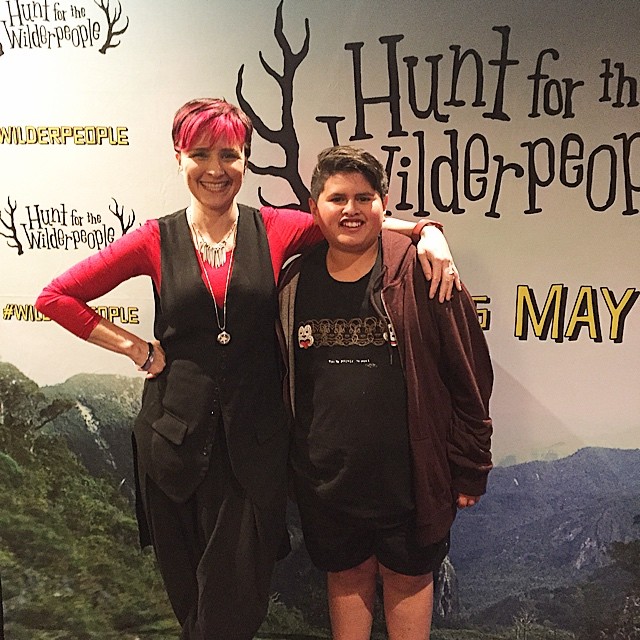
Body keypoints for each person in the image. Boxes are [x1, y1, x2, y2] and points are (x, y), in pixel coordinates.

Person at [35, 99, 459, 640]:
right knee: (191, 600)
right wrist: (135, 348)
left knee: (234, 603)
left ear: (245, 160)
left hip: (255, 448)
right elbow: (56, 297)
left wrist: (425, 231)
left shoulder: (275, 227)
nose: (215, 169)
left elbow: (351, 222)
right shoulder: (153, 238)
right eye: (200, 154)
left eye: (229, 155)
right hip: (172, 444)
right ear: (178, 157)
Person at [279, 146, 493, 640]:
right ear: (314, 208)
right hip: (328, 481)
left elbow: (469, 375)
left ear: (384, 204)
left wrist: (471, 465)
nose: (350, 210)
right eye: (337, 198)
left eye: (364, 198)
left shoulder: (425, 271)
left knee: (409, 578)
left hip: (410, 482)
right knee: (345, 575)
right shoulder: (294, 280)